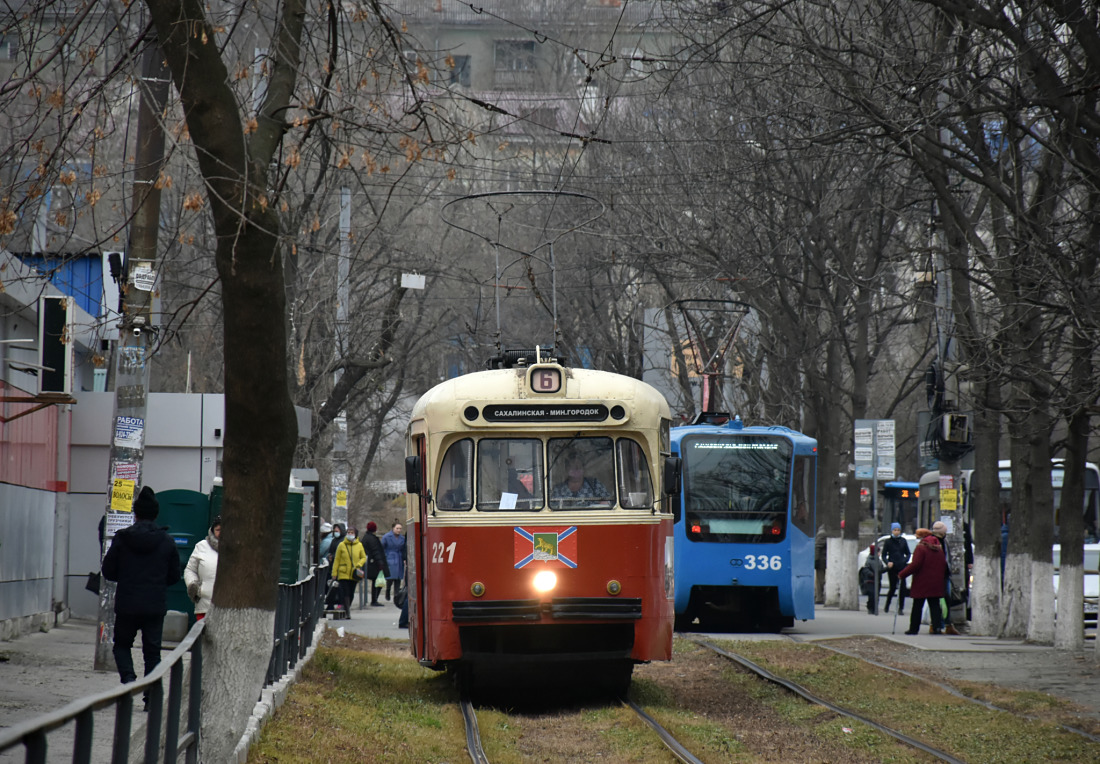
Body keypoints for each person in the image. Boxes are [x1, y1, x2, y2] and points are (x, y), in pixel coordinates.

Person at [101, 486, 181, 699]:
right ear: (156, 514)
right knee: (152, 652)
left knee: (121, 645)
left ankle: (128, 681)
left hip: (127, 603)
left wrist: (127, 578)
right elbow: (174, 575)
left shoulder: (122, 539)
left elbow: (108, 570)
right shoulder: (167, 541)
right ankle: (151, 698)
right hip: (155, 605)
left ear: (135, 514)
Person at [898, 528, 947, 635]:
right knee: (934, 605)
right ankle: (937, 628)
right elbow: (943, 564)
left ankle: (914, 629)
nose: (916, 538)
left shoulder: (921, 548)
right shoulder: (939, 548)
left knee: (917, 605)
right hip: (936, 581)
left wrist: (902, 574)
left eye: (917, 536)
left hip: (922, 581)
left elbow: (915, 565)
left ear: (922, 537)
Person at [184, 515, 220, 620]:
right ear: (213, 531)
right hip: (205, 606)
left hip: (231, 609)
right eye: (218, 529)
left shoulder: (238, 549)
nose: (221, 532)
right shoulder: (202, 546)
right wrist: (194, 586)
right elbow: (190, 570)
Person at [332, 526, 366, 615]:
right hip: (343, 572)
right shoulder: (341, 545)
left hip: (354, 573)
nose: (350, 534)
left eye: (352, 533)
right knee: (345, 592)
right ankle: (347, 612)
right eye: (348, 533)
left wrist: (359, 564)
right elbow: (337, 559)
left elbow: (363, 557)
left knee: (351, 593)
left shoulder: (359, 545)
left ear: (355, 534)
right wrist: (334, 573)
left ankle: (347, 607)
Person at [881, 522, 910, 615]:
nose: (896, 532)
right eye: (895, 530)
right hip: (892, 567)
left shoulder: (903, 541)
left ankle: (901, 608)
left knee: (902, 588)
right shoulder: (888, 542)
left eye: (898, 530)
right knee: (893, 587)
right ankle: (887, 606)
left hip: (901, 567)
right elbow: (883, 555)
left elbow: (908, 553)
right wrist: (887, 562)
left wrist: (904, 560)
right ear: (892, 531)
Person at [361, 521, 390, 607]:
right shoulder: (372, 539)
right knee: (377, 582)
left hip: (370, 563)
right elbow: (376, 551)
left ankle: (374, 599)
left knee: (376, 582)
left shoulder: (366, 537)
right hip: (375, 564)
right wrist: (380, 563)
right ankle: (374, 600)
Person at [381, 521, 406, 601]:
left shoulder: (402, 538)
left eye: (400, 529)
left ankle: (396, 595)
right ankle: (388, 591)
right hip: (390, 558)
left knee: (398, 578)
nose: (399, 530)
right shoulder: (387, 537)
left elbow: (403, 549)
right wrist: (384, 557)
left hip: (399, 558)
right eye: (397, 528)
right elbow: (382, 547)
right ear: (393, 528)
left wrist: (404, 558)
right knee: (390, 578)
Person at [814, 524, 827, 604]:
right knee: (820, 581)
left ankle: (819, 596)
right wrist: (816, 560)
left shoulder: (823, 532)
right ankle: (819, 598)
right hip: (822, 561)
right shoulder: (823, 533)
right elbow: (817, 547)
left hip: (824, 560)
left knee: (820, 580)